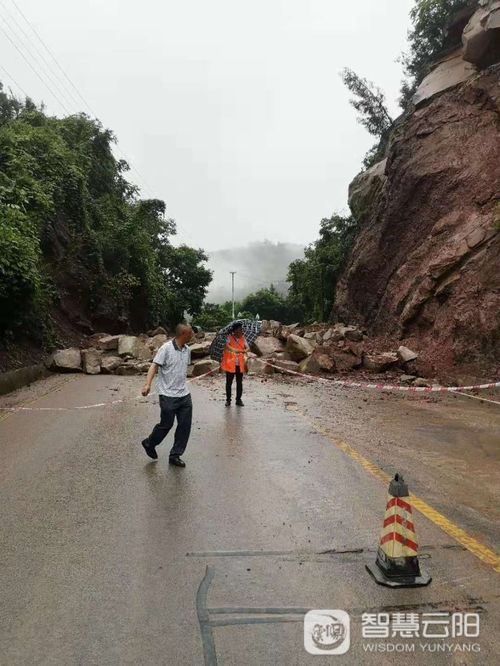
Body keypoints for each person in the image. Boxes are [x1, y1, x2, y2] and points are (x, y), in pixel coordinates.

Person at [140, 323, 193, 467]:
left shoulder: (187, 350)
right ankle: (149, 443)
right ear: (183, 334)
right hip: (167, 395)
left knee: (185, 425)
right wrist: (147, 384)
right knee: (166, 424)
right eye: (190, 333)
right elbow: (154, 366)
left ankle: (175, 455)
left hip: (184, 395)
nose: (192, 335)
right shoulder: (166, 348)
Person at [221, 322, 248, 407]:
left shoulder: (243, 338)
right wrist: (236, 350)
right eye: (240, 329)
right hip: (230, 364)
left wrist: (245, 350)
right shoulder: (229, 338)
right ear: (235, 330)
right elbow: (226, 347)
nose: (241, 331)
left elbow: (248, 347)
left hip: (240, 364)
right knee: (229, 383)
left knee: (239, 382)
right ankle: (228, 400)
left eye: (242, 329)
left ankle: (238, 400)